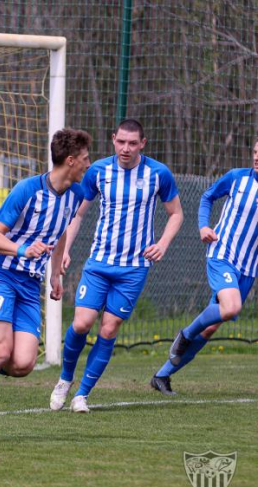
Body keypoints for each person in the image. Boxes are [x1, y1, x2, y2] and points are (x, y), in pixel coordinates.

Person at [0, 128, 91, 444]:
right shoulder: (27, 190)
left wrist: (55, 274)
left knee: (23, 364)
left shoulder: (76, 196)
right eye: (85, 159)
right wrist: (24, 250)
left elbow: (61, 231)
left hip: (29, 284)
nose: (88, 165)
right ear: (70, 160)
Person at [49, 119, 183, 413]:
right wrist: (66, 249)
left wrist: (162, 243)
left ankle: (82, 394)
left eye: (132, 143)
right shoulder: (97, 171)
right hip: (99, 263)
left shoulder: (158, 174)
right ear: (113, 140)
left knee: (108, 330)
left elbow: (175, 214)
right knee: (82, 323)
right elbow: (78, 213)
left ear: (142, 144)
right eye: (121, 142)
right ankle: (64, 379)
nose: (126, 148)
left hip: (134, 269)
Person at [151, 139, 258, 395]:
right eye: (255, 152)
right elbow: (208, 196)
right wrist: (203, 226)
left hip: (248, 269)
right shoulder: (237, 178)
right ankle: (186, 334)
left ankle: (162, 375)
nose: (256, 157)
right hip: (222, 255)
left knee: (211, 327)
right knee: (231, 307)